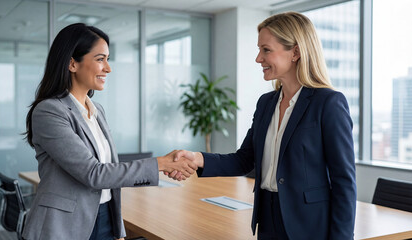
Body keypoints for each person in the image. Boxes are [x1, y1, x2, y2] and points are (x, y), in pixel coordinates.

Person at [169, 12, 356, 240]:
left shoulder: (328, 103)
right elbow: (245, 159)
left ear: (296, 52)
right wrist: (197, 158)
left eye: (266, 50)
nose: (258, 58)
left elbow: (343, 181)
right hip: (267, 218)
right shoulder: (266, 103)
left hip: (309, 225)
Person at [23, 23, 197, 240]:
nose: (108, 67)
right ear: (72, 64)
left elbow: (110, 170)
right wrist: (161, 164)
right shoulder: (50, 111)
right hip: (63, 226)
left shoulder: (97, 111)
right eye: (100, 59)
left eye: (107, 59)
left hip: (104, 218)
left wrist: (117, 228)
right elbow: (93, 173)